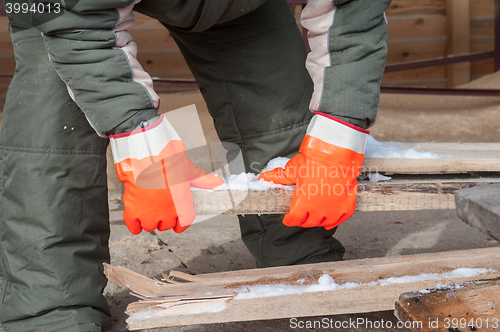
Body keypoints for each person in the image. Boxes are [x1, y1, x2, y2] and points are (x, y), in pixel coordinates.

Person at [0, 0, 391, 330]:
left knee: (281, 117)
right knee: (52, 113)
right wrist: (141, 144)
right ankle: (49, 307)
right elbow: (77, 24)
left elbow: (353, 11)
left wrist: (338, 135)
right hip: (67, 10)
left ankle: (300, 259)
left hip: (236, 5)